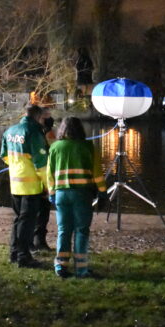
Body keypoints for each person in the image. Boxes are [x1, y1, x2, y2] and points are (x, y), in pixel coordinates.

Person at [46, 117, 107, 278]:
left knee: (63, 230)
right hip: (82, 194)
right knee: (81, 230)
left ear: (62, 130)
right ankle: (81, 269)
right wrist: (102, 192)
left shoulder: (55, 147)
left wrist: (52, 193)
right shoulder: (88, 147)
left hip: (61, 194)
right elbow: (97, 173)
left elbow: (49, 174)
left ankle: (61, 265)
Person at [0, 104, 48, 268]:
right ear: (37, 116)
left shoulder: (10, 131)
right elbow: (41, 164)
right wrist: (48, 186)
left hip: (15, 183)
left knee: (18, 219)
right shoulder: (34, 132)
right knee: (27, 222)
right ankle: (23, 256)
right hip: (31, 185)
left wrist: (18, 167)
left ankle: (14, 253)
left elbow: (4, 156)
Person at [32, 108, 57, 252]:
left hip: (32, 178)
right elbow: (54, 152)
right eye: (46, 117)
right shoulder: (47, 134)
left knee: (35, 212)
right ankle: (39, 241)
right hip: (43, 178)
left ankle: (35, 241)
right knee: (42, 212)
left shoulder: (34, 133)